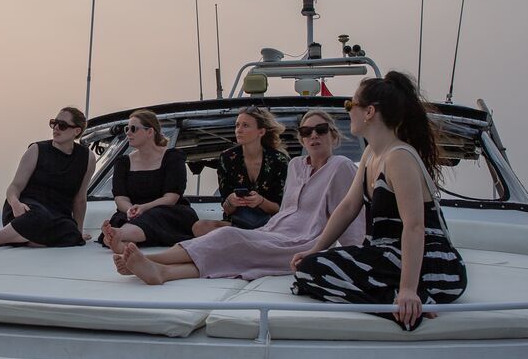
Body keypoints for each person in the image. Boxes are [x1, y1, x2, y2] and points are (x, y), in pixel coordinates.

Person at [291, 72, 468, 331]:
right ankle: (390, 300)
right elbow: (348, 207)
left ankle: (402, 305)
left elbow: (415, 226)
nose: (348, 111)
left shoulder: (399, 157)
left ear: (369, 112)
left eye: (350, 105)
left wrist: (408, 289)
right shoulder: (371, 154)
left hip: (431, 264)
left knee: (314, 272)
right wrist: (315, 249)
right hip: (386, 256)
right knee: (308, 268)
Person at [116, 110, 363, 283]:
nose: (313, 136)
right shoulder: (296, 165)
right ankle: (161, 272)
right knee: (232, 252)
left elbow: (351, 213)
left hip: (303, 242)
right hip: (274, 232)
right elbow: (287, 210)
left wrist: (356, 256)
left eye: (320, 130)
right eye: (307, 131)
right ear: (302, 138)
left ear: (333, 135)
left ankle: (150, 259)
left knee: (228, 237)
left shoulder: (341, 166)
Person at [0, 107, 96, 250]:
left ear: (76, 131)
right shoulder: (37, 150)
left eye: (62, 125)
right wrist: (15, 204)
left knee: (72, 234)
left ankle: (12, 238)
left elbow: (80, 199)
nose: (56, 128)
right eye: (54, 123)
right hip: (26, 208)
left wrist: (79, 231)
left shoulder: (87, 158)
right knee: (38, 216)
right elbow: (15, 187)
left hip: (57, 215)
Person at [100, 110, 198, 252]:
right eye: (127, 129)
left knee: (153, 216)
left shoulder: (173, 157)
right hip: (132, 212)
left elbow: (171, 198)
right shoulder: (123, 162)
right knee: (123, 218)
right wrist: (130, 209)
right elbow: (120, 197)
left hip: (167, 211)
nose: (128, 133)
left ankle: (118, 235)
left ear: (150, 132)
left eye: (133, 129)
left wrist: (144, 208)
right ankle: (121, 243)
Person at [194, 105, 289, 235]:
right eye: (237, 125)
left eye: (245, 125)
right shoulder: (227, 158)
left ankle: (246, 239)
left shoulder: (279, 160)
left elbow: (283, 208)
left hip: (270, 225)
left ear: (261, 132)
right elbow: (226, 208)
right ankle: (247, 239)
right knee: (200, 227)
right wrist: (231, 201)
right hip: (237, 225)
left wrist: (261, 201)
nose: (239, 130)